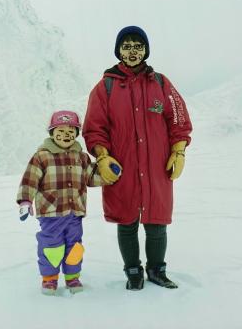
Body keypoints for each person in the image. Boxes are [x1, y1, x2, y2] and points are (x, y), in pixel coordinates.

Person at [82, 26, 193, 290]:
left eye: (138, 46)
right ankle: (133, 271)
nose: (133, 51)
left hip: (157, 166)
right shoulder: (105, 87)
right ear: (119, 50)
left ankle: (157, 270)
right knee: (127, 220)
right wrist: (103, 156)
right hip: (122, 166)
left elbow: (178, 119)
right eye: (127, 46)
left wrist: (178, 151)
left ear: (145, 50)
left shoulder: (162, 83)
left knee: (157, 222)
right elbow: (95, 127)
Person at [16, 110, 114, 295]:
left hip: (75, 212)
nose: (65, 136)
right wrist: (25, 201)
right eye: (60, 131)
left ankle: (72, 277)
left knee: (75, 246)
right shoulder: (42, 157)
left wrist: (110, 174)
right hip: (51, 212)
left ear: (76, 134)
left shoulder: (81, 157)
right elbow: (30, 179)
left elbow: (91, 177)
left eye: (71, 132)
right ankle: (49, 279)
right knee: (51, 245)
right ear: (52, 134)